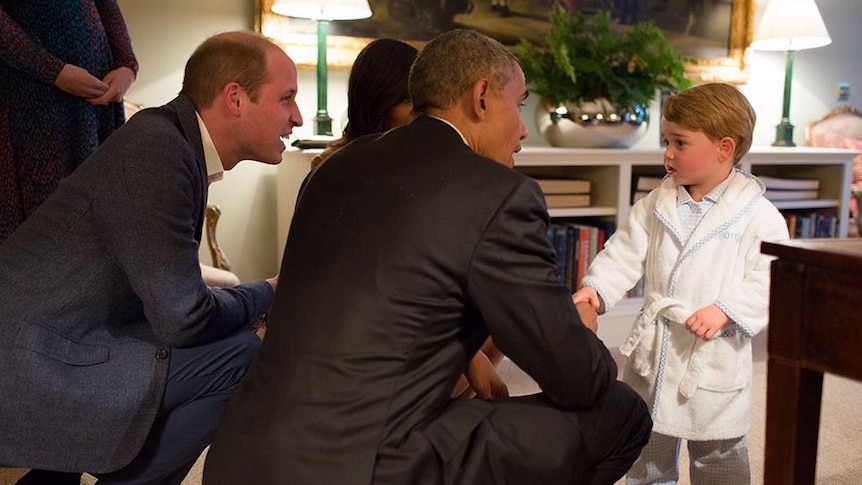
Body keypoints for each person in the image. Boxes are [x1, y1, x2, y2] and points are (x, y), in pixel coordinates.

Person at [203, 28, 651, 485]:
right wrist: (581, 331)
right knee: (621, 410)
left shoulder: (334, 167)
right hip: (363, 466)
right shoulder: (499, 194)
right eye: (518, 106)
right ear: (481, 97)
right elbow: (575, 379)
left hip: (241, 455)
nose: (522, 130)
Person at [0, 30, 302, 485]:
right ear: (235, 98)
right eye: (286, 99)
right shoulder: (158, 151)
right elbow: (183, 318)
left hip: (60, 335)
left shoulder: (169, 141)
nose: (296, 118)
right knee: (240, 356)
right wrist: (267, 293)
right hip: (35, 357)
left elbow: (170, 295)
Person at [572, 83, 790, 484]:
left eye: (681, 143)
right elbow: (623, 251)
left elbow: (772, 276)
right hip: (657, 349)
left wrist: (727, 309)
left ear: (725, 148)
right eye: (666, 141)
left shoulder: (757, 215)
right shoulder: (656, 203)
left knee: (718, 451)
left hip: (712, 354)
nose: (668, 153)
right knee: (646, 443)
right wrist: (597, 289)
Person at [313, 36, 507, 401]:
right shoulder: (341, 170)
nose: (423, 114)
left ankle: (443, 411)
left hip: (397, 318)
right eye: (411, 102)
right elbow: (382, 292)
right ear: (380, 103)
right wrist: (466, 353)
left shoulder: (418, 164)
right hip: (359, 333)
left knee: (493, 313)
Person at [0, 0, 138, 243]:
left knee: (100, 217)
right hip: (33, 101)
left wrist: (127, 64)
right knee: (46, 228)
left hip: (97, 104)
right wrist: (53, 71)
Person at [311, 38, 418, 169]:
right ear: (378, 101)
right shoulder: (331, 164)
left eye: (421, 98)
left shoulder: (428, 159)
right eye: (407, 100)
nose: (419, 110)